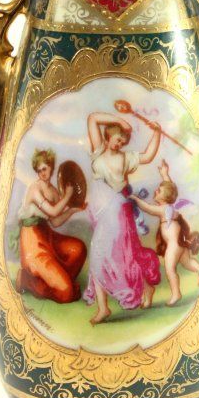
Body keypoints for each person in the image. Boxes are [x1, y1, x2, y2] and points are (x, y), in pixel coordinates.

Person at [83, 112, 162, 324]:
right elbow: (92, 119)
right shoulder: (98, 152)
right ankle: (103, 308)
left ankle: (146, 288)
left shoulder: (126, 158)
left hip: (118, 212)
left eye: (123, 141)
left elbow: (148, 156)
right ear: (108, 137)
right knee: (99, 255)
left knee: (125, 255)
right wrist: (119, 120)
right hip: (101, 213)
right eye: (117, 139)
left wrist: (157, 132)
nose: (120, 144)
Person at [130, 159, 199, 306]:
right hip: (179, 242)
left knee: (170, 268)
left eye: (158, 191)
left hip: (174, 244)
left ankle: (176, 293)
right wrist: (165, 174)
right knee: (186, 262)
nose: (155, 191)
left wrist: (134, 198)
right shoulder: (170, 205)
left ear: (164, 197)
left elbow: (147, 208)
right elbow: (170, 189)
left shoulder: (163, 209)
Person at [15, 149, 87, 303]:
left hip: (47, 237)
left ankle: (61, 279)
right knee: (66, 292)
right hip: (32, 243)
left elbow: (55, 221)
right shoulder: (35, 189)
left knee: (78, 248)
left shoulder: (53, 191)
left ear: (51, 167)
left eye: (44, 169)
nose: (42, 173)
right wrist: (67, 196)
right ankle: (28, 280)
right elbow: (53, 211)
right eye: (39, 170)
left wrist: (73, 210)